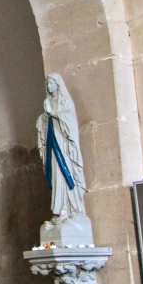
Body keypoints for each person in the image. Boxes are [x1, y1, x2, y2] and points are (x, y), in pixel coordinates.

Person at [36, 74, 86, 222]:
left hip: (63, 146)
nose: (48, 86)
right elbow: (45, 122)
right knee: (56, 176)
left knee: (64, 174)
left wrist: (53, 113)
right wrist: (44, 118)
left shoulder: (66, 101)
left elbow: (70, 120)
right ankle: (60, 208)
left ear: (58, 84)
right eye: (47, 83)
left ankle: (68, 208)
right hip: (52, 143)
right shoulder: (49, 102)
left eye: (51, 82)